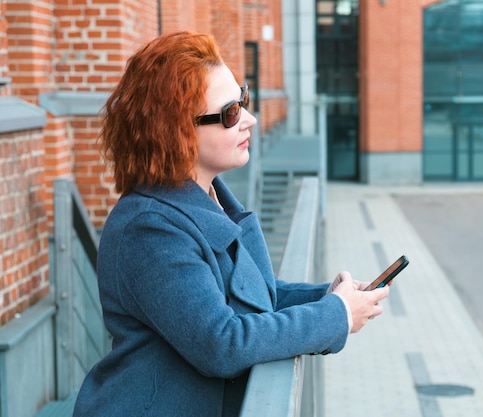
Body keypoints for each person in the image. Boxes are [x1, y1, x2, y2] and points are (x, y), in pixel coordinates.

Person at [72, 31, 390, 417]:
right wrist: (335, 316)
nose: (250, 119)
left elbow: (248, 298)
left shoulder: (208, 196)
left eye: (244, 101)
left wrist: (328, 297)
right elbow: (221, 343)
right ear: (178, 132)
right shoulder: (149, 228)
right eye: (231, 113)